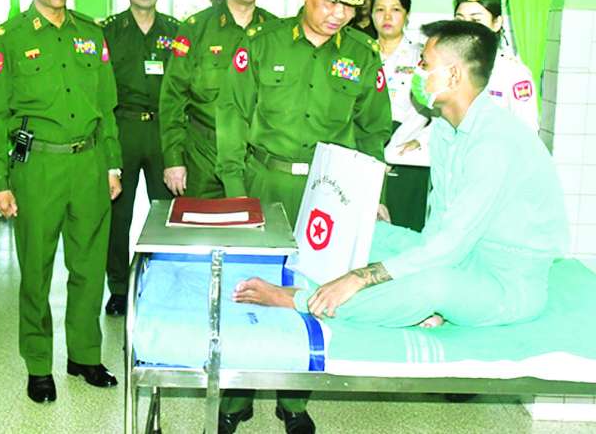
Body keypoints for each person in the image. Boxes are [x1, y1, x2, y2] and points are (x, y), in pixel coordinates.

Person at [232, 20, 568, 340]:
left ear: (453, 75)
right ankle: (354, 292)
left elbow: (451, 243)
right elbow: (439, 224)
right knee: (369, 234)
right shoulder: (444, 129)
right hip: (462, 259)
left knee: (433, 286)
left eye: (425, 64)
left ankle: (302, 300)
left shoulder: (495, 142)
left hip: (505, 283)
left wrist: (361, 277)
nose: (417, 72)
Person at [216, 0, 390, 434]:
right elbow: (231, 117)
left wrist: (371, 194)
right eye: (330, 1)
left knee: (310, 289)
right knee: (249, 287)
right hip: (263, 182)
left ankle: (294, 399)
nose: (339, 15)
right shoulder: (263, 42)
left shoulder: (362, 55)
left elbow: (374, 130)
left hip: (329, 194)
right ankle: (237, 395)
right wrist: (236, 192)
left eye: (349, 6)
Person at [0, 0, 122, 404]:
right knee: (37, 271)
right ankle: (39, 363)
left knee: (89, 267)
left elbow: (107, 108)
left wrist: (113, 165)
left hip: (89, 165)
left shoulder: (91, 34)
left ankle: (84, 354)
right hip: (37, 167)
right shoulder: (8, 38)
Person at [159, 0, 276, 199]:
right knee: (202, 224)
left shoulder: (275, 32)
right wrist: (173, 158)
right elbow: (173, 97)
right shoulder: (195, 29)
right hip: (204, 155)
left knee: (257, 223)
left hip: (256, 157)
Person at [100, 0, 178, 316]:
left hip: (164, 129)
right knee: (119, 215)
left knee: (167, 212)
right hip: (123, 128)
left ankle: (166, 280)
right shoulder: (109, 31)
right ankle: (118, 286)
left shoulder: (176, 32)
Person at [370, 0, 431, 231]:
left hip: (406, 151)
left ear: (406, 14)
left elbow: (431, 110)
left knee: (404, 227)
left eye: (395, 9)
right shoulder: (360, 53)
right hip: (366, 146)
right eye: (380, 9)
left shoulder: (423, 56)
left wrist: (413, 142)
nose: (387, 17)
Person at [454, 0, 539, 131]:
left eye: (476, 21)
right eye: (460, 20)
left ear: (497, 23)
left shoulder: (513, 73)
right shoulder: (450, 68)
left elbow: (527, 131)